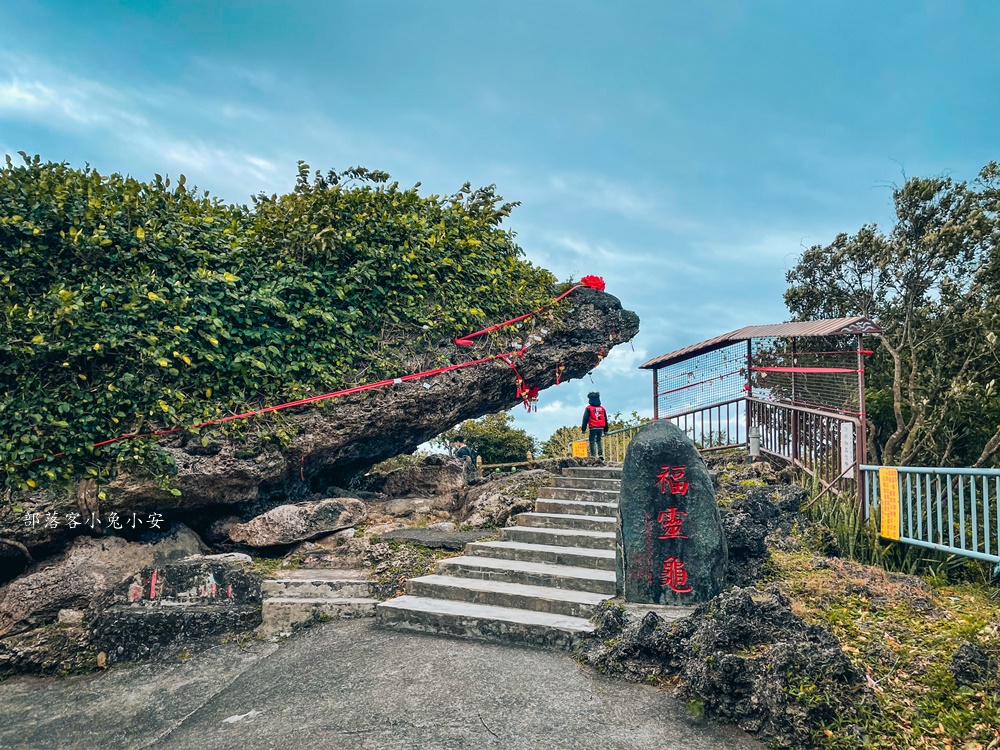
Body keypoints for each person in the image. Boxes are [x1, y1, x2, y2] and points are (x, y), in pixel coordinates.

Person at [581, 392, 608, 459]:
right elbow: (605, 419)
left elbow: (585, 419)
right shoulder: (602, 408)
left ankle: (593, 456)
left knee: (592, 441)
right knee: (598, 440)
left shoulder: (588, 408)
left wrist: (583, 429)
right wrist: (606, 430)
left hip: (593, 427)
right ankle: (600, 454)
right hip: (601, 427)